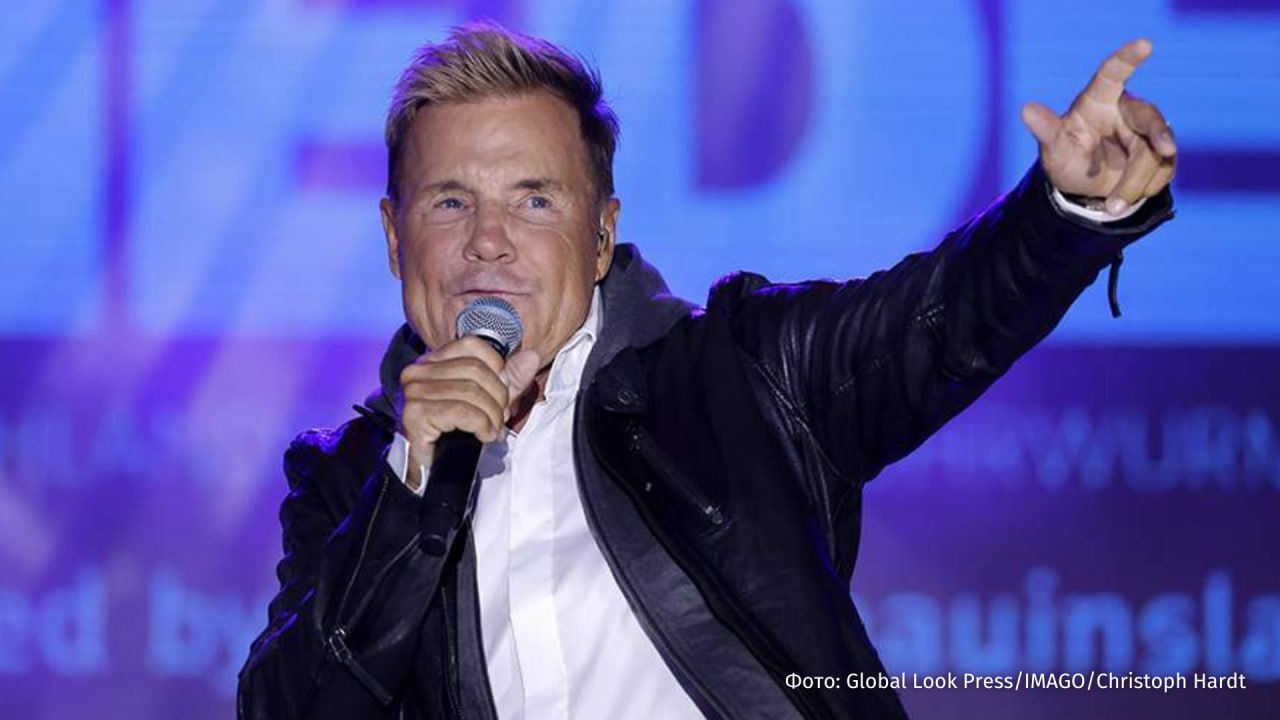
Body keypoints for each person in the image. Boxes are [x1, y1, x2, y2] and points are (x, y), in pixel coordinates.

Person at [237, 22, 1175, 720]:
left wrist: (1062, 214)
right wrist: (409, 494)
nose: (489, 242)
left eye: (534, 200)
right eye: (449, 203)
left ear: (600, 235)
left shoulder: (739, 373)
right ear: (394, 238)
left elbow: (938, 319)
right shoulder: (352, 485)